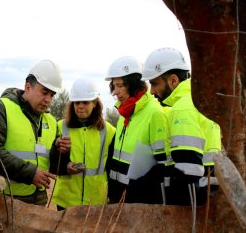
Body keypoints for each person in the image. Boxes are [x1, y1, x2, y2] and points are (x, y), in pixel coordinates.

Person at [0, 59, 69, 206]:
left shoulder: (51, 121)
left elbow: (52, 166)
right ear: (27, 87)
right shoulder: (0, 108)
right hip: (0, 199)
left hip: (35, 200)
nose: (48, 100)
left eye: (52, 95)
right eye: (44, 92)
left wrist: (60, 152)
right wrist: (30, 173)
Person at [142, 47, 222, 206]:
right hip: (209, 195)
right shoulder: (203, 103)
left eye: (154, 83)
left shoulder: (182, 109)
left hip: (192, 203)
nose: (151, 91)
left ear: (173, 80)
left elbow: (187, 172)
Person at [105, 56, 169, 204]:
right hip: (116, 198)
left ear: (134, 84)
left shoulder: (155, 114)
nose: (115, 92)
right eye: (114, 86)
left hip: (139, 202)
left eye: (120, 85)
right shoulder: (124, 114)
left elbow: (163, 165)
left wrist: (137, 189)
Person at [49, 78, 116, 209]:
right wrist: (65, 166)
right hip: (66, 201)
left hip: (95, 201)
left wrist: (113, 196)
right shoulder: (60, 127)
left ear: (95, 103)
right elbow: (52, 164)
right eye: (76, 102)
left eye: (85, 102)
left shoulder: (109, 131)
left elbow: (112, 168)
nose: (80, 106)